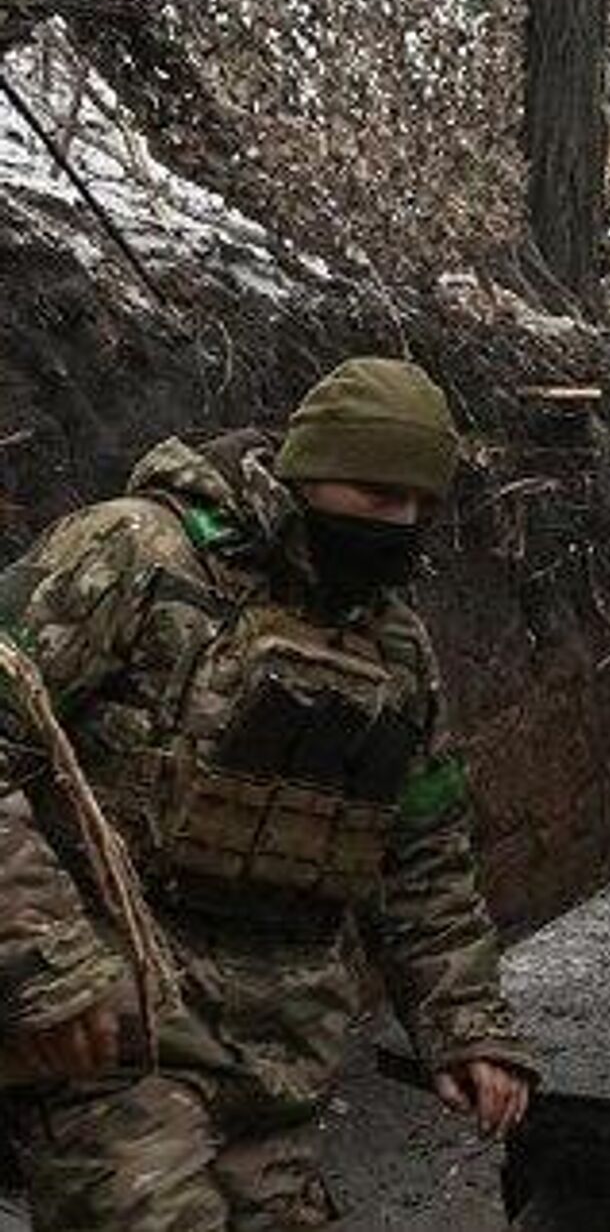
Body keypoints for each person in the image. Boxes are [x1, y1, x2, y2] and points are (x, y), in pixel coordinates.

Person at [0, 357, 535, 1228]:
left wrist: (466, 1024)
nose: (398, 523)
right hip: (118, 1035)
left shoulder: (394, 647)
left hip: (282, 1057)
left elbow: (423, 852)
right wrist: (48, 965)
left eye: (420, 505)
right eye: (377, 494)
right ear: (309, 470)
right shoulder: (136, 555)